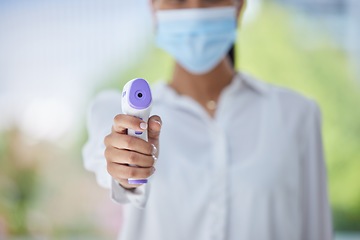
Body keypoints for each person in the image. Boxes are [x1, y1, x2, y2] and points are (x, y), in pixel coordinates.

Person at [82, 0, 333, 239]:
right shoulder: (120, 113)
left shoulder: (297, 114)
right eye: (178, 0)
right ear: (154, 9)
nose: (195, 11)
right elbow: (104, 158)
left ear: (239, 7)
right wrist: (124, 166)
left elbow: (316, 230)